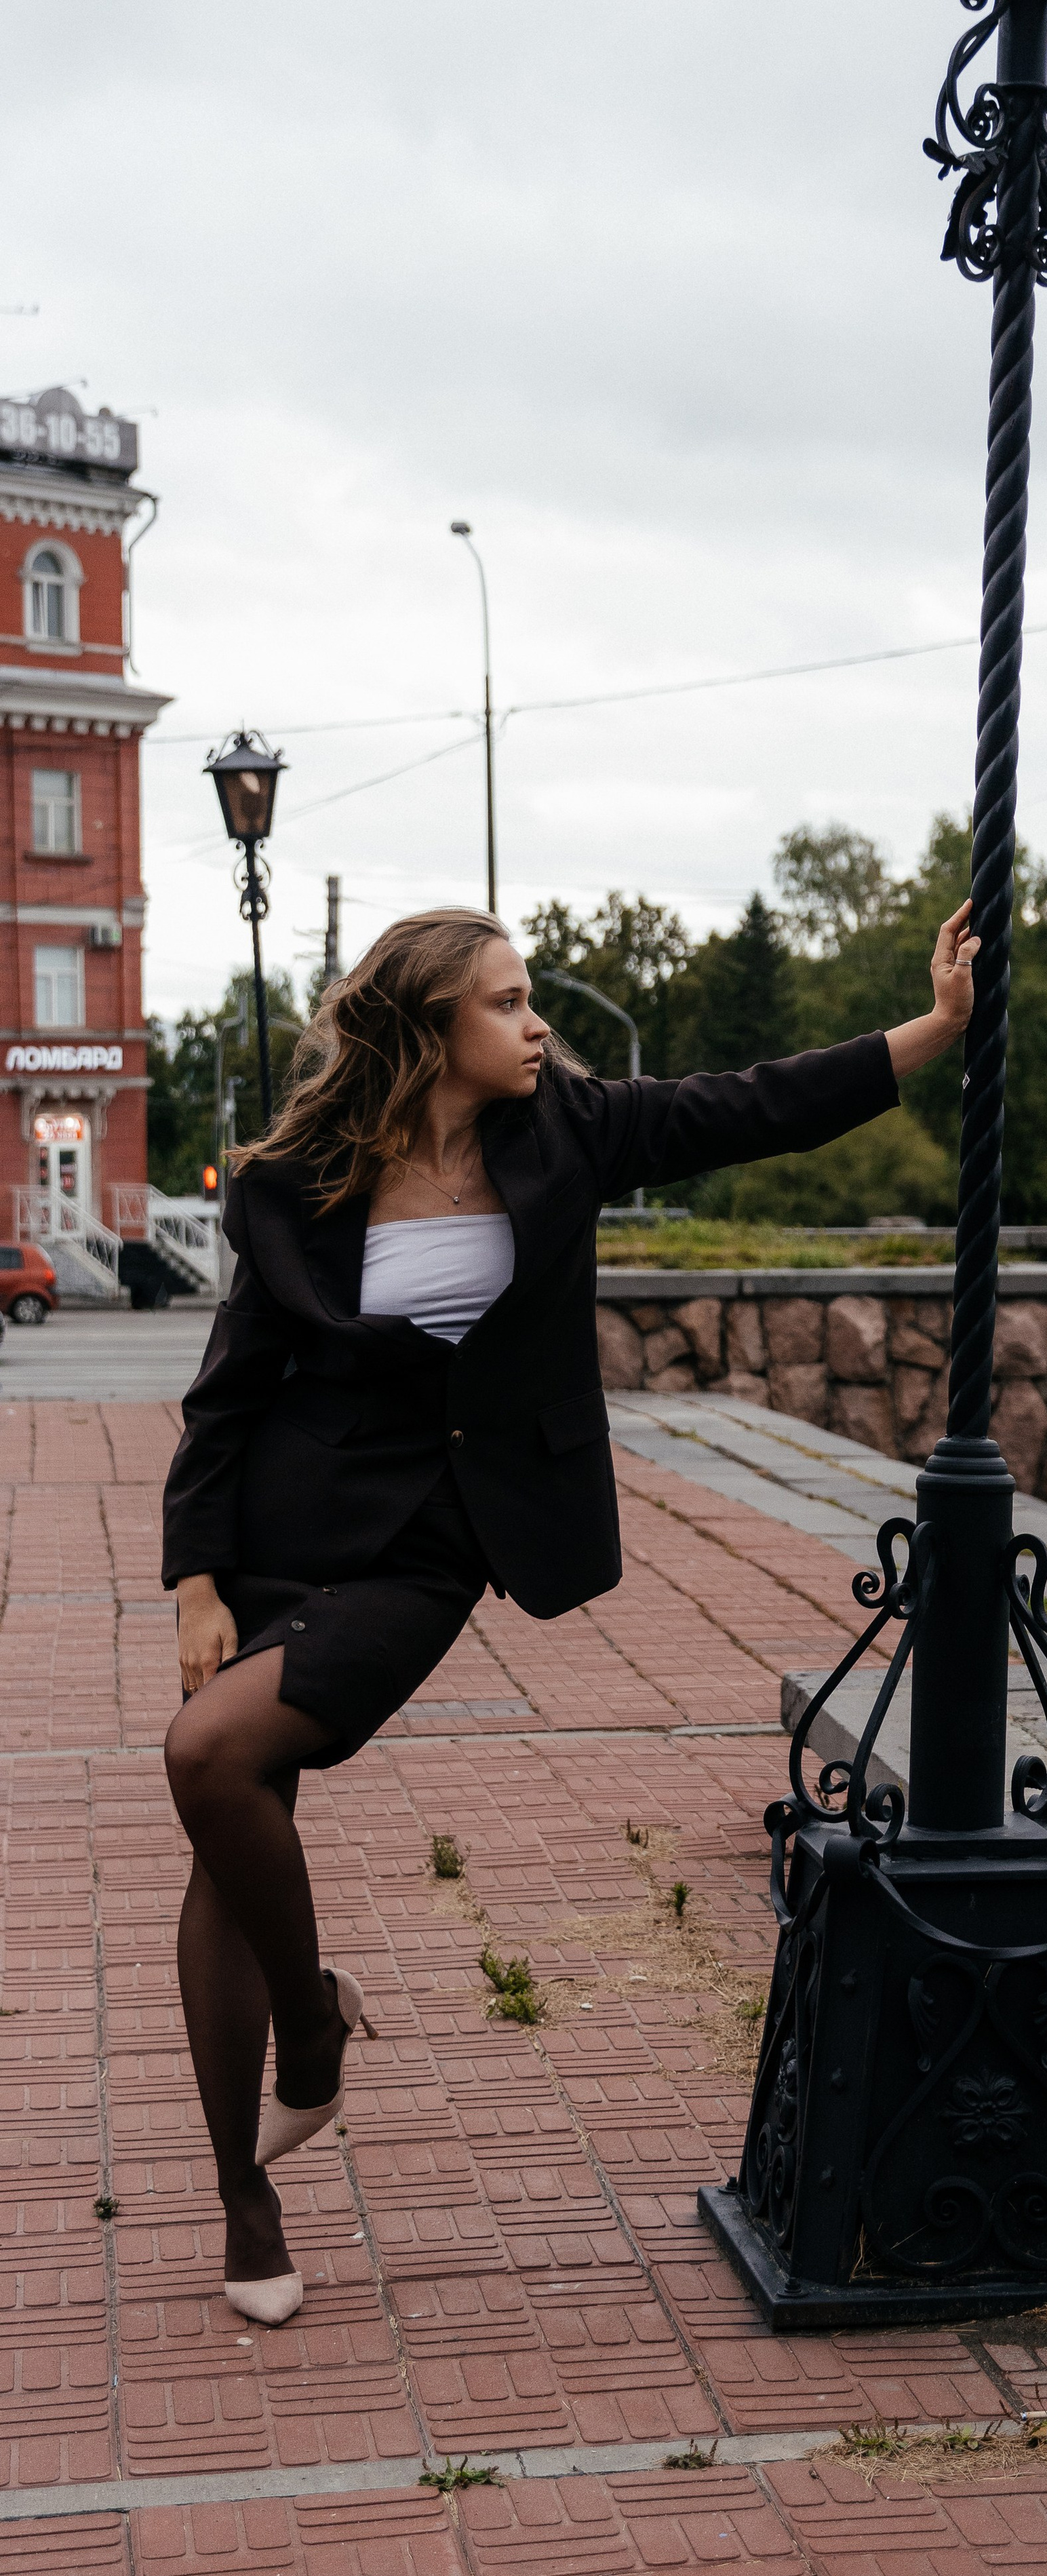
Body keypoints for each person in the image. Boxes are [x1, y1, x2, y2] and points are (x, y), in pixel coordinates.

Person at [161, 903, 979, 2326]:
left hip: (434, 1551)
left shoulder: (566, 1133)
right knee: (232, 1836)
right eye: (506, 1002)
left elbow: (754, 1108)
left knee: (210, 1760)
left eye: (530, 997)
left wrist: (936, 1031)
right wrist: (193, 1580)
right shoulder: (293, 1182)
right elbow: (232, 1390)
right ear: (429, 1031)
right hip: (282, 1534)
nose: (536, 1024)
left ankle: (310, 2037)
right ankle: (246, 2195)